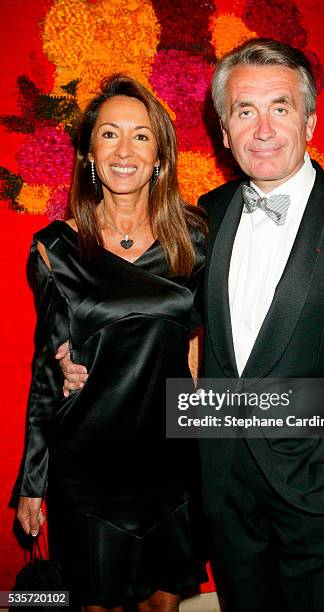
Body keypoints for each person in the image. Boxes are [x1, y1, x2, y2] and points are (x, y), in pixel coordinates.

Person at [58, 40, 324, 611]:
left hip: (316, 482)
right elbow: (167, 319)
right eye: (244, 111)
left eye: (280, 107)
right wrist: (79, 355)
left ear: (311, 120)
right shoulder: (209, 212)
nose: (264, 128)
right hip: (220, 479)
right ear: (224, 131)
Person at [14, 74, 207, 611]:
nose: (125, 150)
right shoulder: (55, 248)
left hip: (170, 458)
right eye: (110, 134)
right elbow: (46, 370)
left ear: (160, 156)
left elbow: (221, 339)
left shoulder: (196, 239)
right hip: (88, 462)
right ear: (89, 154)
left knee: (161, 606)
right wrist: (33, 479)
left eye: (142, 136)